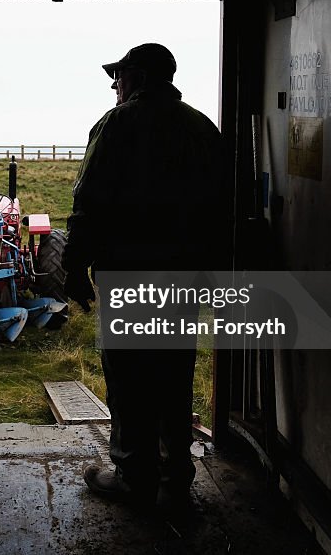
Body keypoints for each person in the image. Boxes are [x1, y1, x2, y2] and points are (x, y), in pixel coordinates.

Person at [63, 42, 228, 512]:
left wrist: (74, 266)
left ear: (134, 77)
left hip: (130, 273)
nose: (114, 86)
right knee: (174, 371)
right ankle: (176, 472)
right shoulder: (202, 128)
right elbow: (222, 208)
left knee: (131, 374)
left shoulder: (118, 124)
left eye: (118, 77)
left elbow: (88, 200)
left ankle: (133, 474)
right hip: (184, 275)